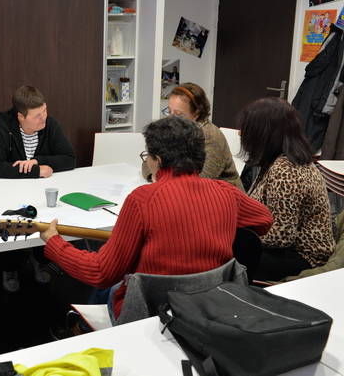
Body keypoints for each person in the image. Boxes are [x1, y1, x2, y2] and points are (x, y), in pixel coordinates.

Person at [40, 116, 273, 319]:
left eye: (147, 157)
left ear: (158, 161)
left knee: (106, 289)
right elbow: (264, 219)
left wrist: (54, 243)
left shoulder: (142, 200)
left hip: (152, 313)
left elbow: (101, 272)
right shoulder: (226, 193)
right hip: (210, 307)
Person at [238, 97, 335, 281]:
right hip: (289, 250)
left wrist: (238, 234)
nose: (241, 134)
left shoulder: (286, 169)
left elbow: (281, 236)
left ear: (264, 134)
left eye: (248, 129)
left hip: (304, 257)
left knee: (228, 256)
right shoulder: (278, 160)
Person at [145, 82, 243, 189]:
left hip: (225, 194)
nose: (171, 119)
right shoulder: (175, 131)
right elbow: (149, 162)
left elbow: (200, 181)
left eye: (179, 114)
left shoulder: (210, 137)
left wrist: (160, 177)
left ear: (196, 113)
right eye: (169, 112)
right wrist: (155, 176)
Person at [0, 85, 76, 178]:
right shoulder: (3, 128)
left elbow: (70, 159)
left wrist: (38, 161)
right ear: (21, 117)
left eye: (44, 110)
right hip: (13, 186)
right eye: (37, 116)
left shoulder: (50, 124)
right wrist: (36, 171)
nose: (43, 118)